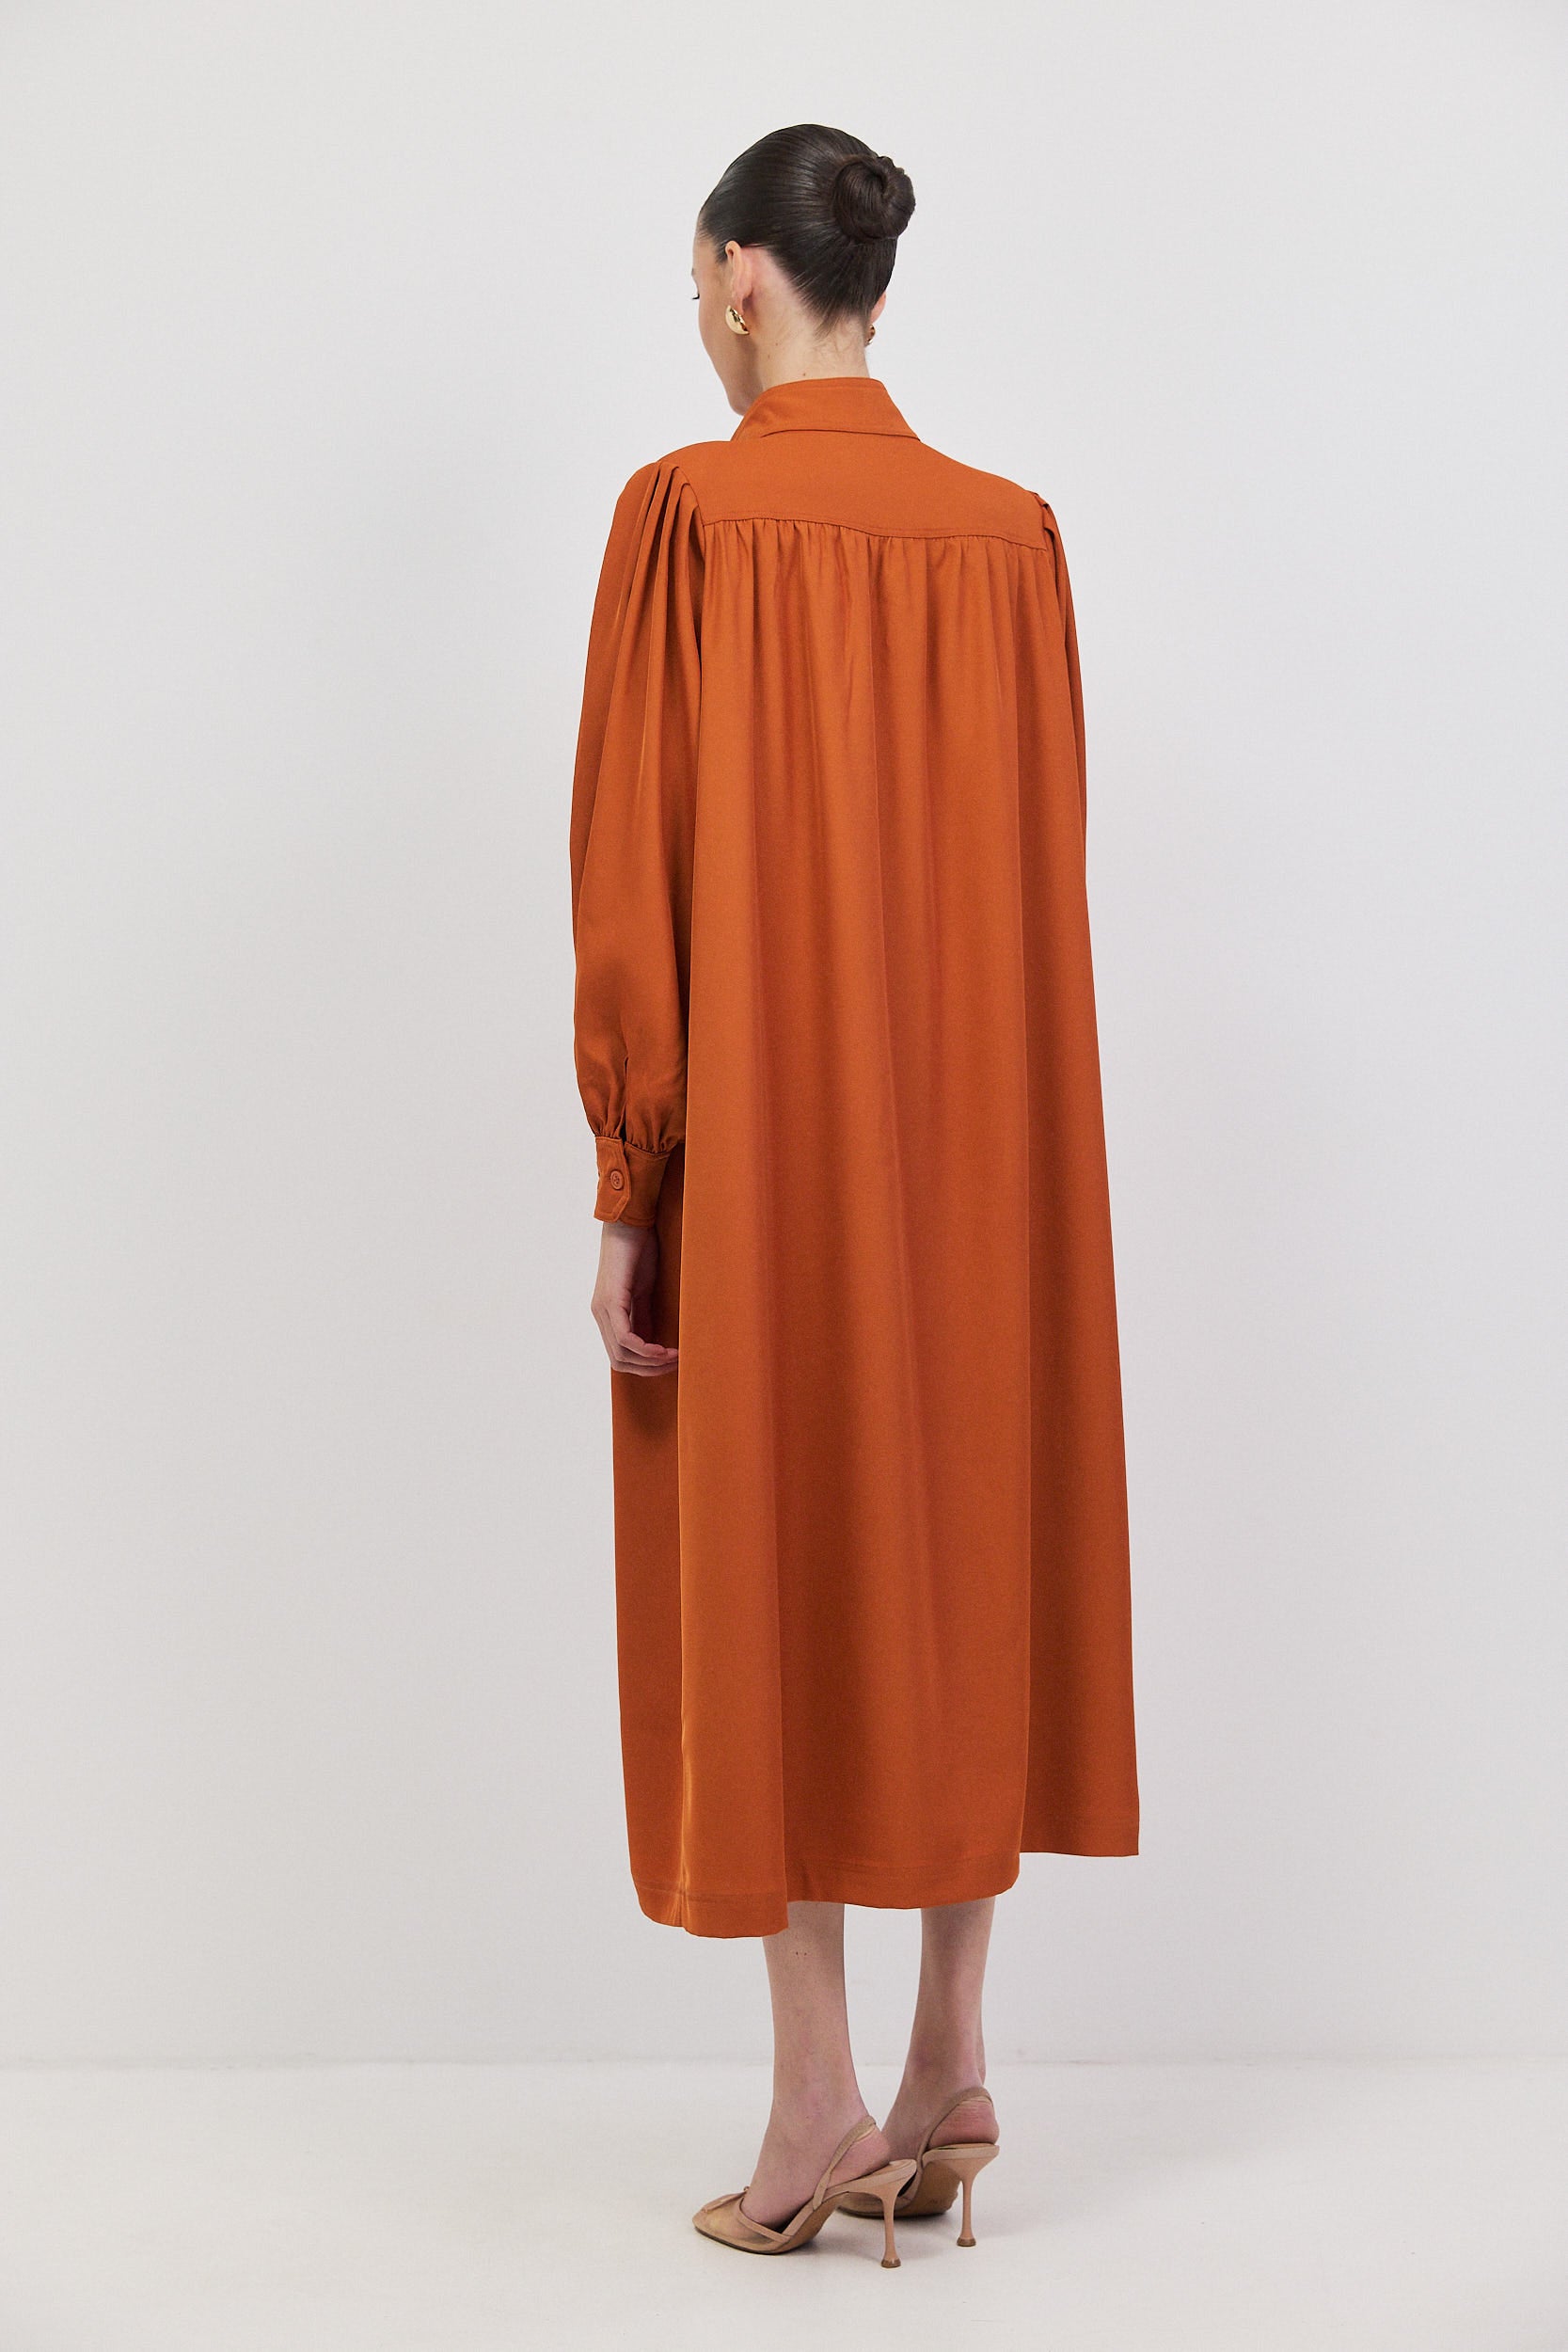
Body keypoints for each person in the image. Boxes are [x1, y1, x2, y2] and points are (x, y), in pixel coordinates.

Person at [568, 122, 1138, 2265]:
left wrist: (631, 1173)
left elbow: (635, 870)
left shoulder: (687, 517)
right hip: (989, 1127)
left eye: (694, 282)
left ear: (740, 275)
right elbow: (1038, 856)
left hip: (774, 1136)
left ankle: (814, 2098)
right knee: (964, 1526)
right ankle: (948, 2057)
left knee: (775, 1554)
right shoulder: (1012, 539)